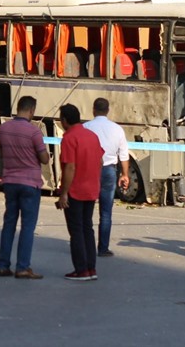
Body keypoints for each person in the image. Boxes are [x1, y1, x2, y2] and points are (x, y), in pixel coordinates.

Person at [0, 96, 49, 279]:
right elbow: (44, 159)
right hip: (30, 183)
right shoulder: (34, 132)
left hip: (10, 182)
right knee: (27, 226)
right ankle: (22, 267)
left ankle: (3, 265)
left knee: (9, 223)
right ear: (32, 110)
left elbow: (2, 152)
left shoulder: (4, 129)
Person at [57, 104, 104, 281]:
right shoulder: (92, 136)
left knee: (76, 230)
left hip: (75, 190)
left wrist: (64, 192)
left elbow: (70, 167)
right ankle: (91, 268)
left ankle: (81, 269)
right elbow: (99, 161)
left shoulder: (69, 138)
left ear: (65, 121)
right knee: (87, 228)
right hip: (91, 189)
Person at [84, 98, 130, 257]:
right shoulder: (117, 129)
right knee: (106, 212)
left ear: (93, 110)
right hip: (109, 171)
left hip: (89, 171)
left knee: (86, 209)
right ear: (108, 110)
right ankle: (103, 248)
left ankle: (85, 245)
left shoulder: (86, 127)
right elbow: (124, 155)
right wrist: (124, 175)